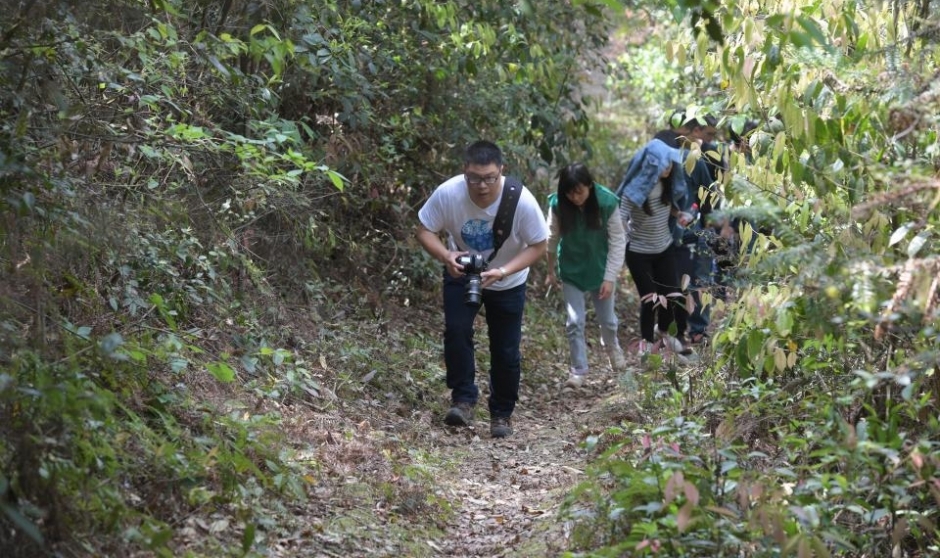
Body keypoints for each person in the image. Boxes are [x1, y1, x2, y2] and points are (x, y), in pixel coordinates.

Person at [416, 140, 548, 438]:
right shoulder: (449, 193)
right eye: (474, 178)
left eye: (490, 177)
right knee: (457, 331)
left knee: (506, 349)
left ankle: (501, 414)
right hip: (462, 271)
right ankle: (462, 399)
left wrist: (503, 270)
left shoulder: (521, 201)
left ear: (502, 171)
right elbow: (424, 229)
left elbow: (539, 245)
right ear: (465, 171)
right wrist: (445, 255)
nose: (482, 185)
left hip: (508, 280)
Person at [544, 163, 627, 390]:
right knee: (574, 321)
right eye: (570, 193)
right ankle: (578, 370)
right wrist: (550, 271)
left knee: (608, 321)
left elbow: (618, 241)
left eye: (579, 191)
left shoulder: (608, 202)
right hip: (571, 269)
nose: (575, 197)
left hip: (600, 270)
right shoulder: (558, 203)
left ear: (589, 186)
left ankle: (612, 347)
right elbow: (551, 238)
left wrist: (610, 277)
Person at [616, 138, 694, 355]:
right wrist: (624, 236)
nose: (668, 169)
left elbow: (668, 206)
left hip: (664, 247)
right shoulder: (635, 189)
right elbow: (620, 217)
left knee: (673, 295)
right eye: (664, 164)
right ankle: (647, 343)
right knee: (649, 299)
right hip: (639, 253)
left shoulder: (669, 183)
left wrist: (680, 214)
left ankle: (666, 334)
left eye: (671, 164)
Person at [655, 112, 724, 346]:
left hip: (676, 230)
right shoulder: (689, 159)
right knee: (695, 280)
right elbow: (708, 198)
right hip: (683, 230)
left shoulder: (664, 157)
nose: (708, 140)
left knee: (680, 279)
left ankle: (679, 328)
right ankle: (690, 329)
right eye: (707, 134)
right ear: (690, 132)